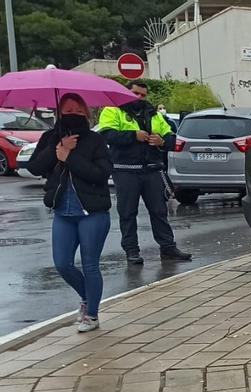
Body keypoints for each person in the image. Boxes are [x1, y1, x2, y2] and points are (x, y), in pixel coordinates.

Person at [27, 94, 114, 333]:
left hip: (92, 212)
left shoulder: (95, 140)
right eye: (67, 109)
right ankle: (88, 298)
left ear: (85, 113)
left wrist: (71, 157)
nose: (72, 113)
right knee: (62, 264)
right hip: (63, 212)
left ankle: (92, 316)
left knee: (90, 265)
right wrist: (58, 150)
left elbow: (101, 173)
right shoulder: (50, 138)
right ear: (58, 112)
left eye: (77, 109)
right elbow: (34, 167)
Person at [98, 80, 192, 265]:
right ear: (127, 92)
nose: (139, 97)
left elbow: (171, 138)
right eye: (135, 93)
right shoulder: (113, 110)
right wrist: (134, 136)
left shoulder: (154, 113)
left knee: (159, 211)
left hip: (151, 169)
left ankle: (168, 248)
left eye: (142, 94)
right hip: (126, 170)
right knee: (127, 213)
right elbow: (107, 135)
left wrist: (162, 142)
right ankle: (131, 251)